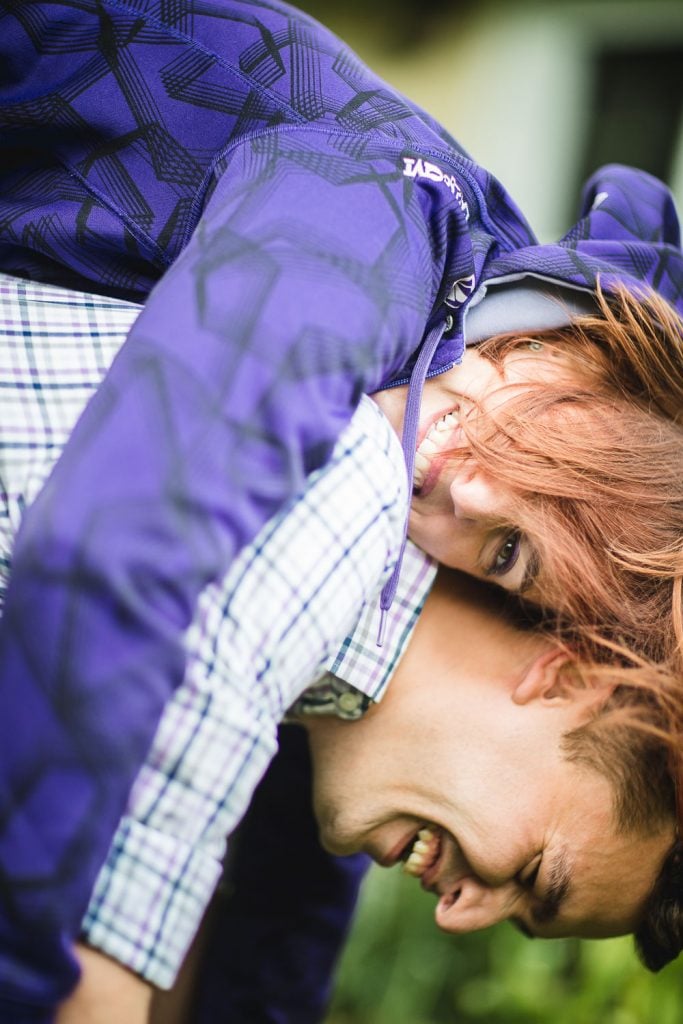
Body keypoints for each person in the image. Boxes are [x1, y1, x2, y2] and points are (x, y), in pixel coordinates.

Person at [1, 0, 683, 1017]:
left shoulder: (389, 500)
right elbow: (125, 552)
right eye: (529, 876)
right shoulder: (379, 222)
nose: (460, 491)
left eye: (505, 557)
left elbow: (290, 903)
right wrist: (42, 970)